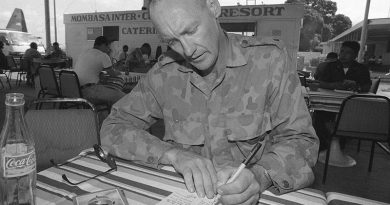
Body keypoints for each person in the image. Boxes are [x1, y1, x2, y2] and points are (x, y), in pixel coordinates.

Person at [101, 0, 318, 204]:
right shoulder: (164, 74)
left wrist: (260, 176)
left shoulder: (270, 61)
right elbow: (113, 128)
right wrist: (172, 155)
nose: (187, 50)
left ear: (213, 7)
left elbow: (302, 141)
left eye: (191, 31)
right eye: (172, 41)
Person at [74, 36, 125, 107]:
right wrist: (119, 72)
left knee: (111, 91)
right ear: (104, 45)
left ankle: (106, 113)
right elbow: (112, 73)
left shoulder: (84, 53)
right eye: (108, 47)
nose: (109, 49)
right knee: (123, 97)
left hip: (76, 91)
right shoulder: (103, 55)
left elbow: (93, 69)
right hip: (89, 91)